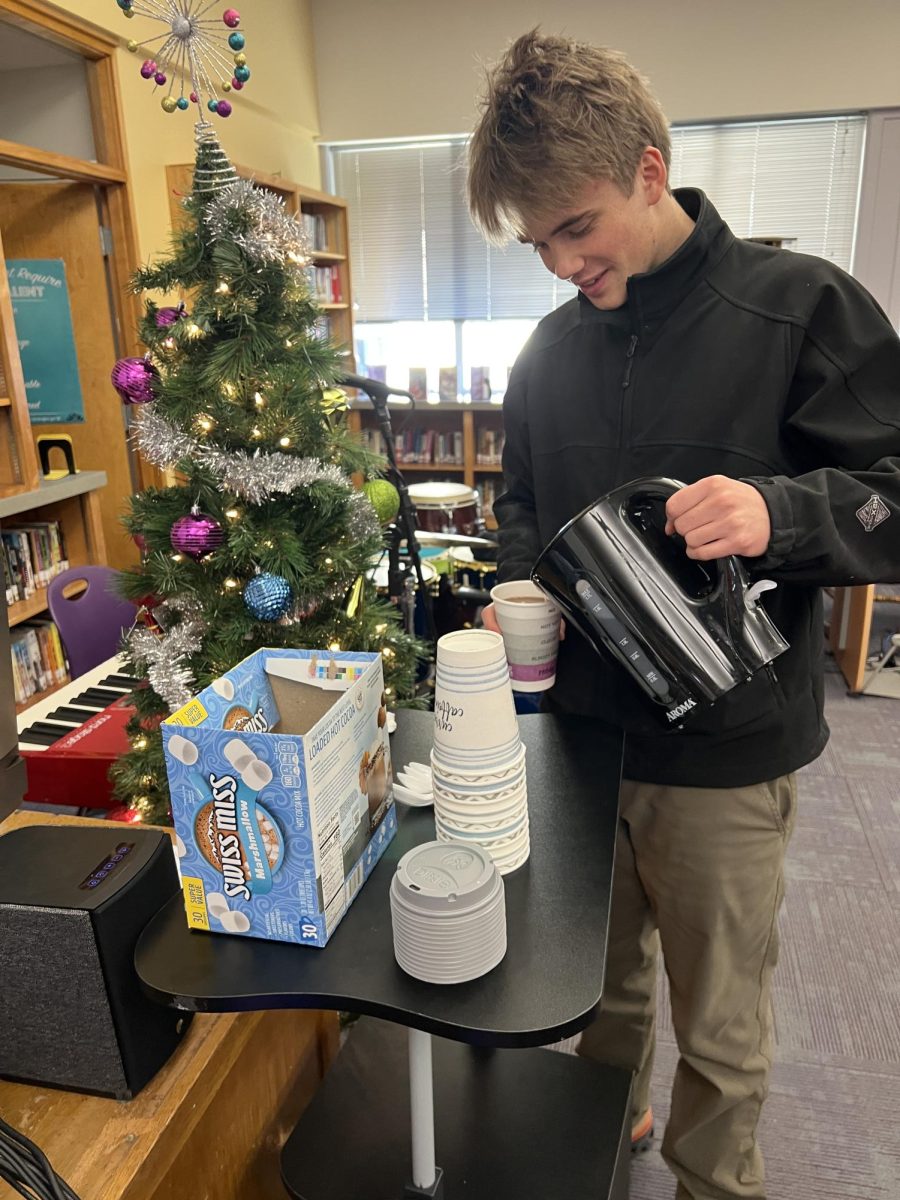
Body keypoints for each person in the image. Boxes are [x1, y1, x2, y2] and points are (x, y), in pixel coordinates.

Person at [467, 29, 900, 1200]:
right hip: (580, 741)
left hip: (726, 757)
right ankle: (608, 1145)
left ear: (649, 172)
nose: (560, 263)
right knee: (593, 994)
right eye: (536, 240)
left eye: (578, 226)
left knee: (720, 1024)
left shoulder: (802, 307)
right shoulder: (548, 353)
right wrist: (515, 591)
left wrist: (781, 514)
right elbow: (520, 505)